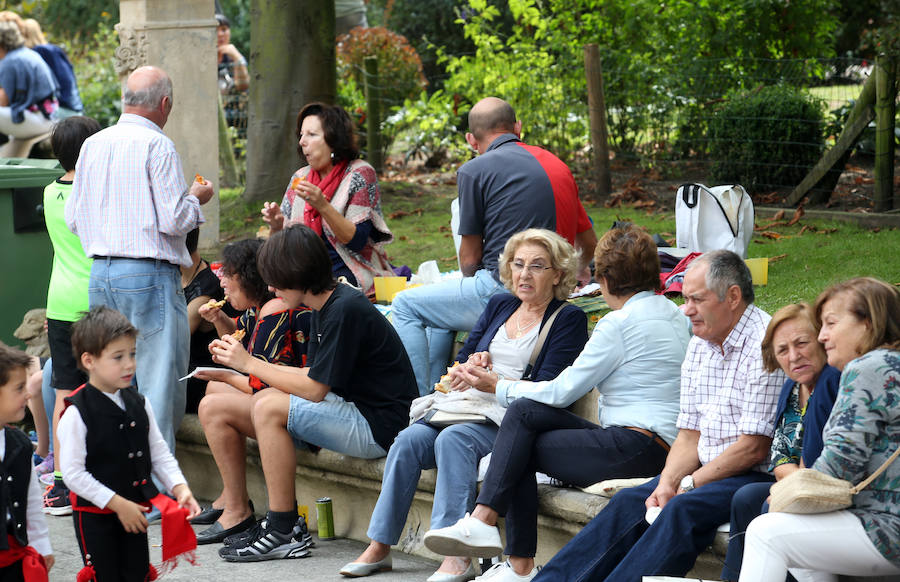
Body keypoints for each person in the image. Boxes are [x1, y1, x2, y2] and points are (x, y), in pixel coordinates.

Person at [423, 225, 691, 582]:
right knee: (523, 421)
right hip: (657, 444)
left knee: (521, 442)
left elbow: (561, 391)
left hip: (639, 446)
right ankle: (497, 540)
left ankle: (503, 546)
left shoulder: (619, 323)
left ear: (605, 279)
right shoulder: (674, 314)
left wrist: (500, 385)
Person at [342, 229, 588, 581]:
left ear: (558, 274)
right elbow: (462, 357)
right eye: (518, 265)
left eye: (537, 266)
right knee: (409, 440)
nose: (524, 274)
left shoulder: (567, 318)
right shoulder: (501, 304)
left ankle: (456, 556)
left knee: (453, 441)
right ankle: (379, 545)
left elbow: (549, 387)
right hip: (466, 405)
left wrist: (497, 381)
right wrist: (470, 365)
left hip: (511, 417)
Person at [527, 249, 784, 581]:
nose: (686, 309)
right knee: (630, 503)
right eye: (684, 298)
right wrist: (667, 482)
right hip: (706, 471)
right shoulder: (702, 344)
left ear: (733, 296)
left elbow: (754, 447)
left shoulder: (765, 345)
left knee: (680, 509)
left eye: (697, 299)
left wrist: (687, 484)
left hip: (753, 476)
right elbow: (690, 434)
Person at [208, 225, 417, 562]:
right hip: (355, 412)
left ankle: (282, 527)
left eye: (276, 280)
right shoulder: (327, 303)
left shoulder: (344, 308)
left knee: (267, 405)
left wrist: (249, 364)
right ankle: (281, 524)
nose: (271, 288)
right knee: (263, 400)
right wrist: (243, 368)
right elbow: (311, 377)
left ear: (298, 274)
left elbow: (315, 390)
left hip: (379, 428)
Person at [391, 96, 598, 396]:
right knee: (438, 314)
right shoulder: (558, 165)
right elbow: (588, 243)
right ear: (518, 128)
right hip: (553, 288)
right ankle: (438, 394)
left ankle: (413, 405)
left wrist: (470, 282)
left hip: (504, 289)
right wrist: (569, 274)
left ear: (471, 140)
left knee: (405, 304)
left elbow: (470, 258)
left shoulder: (474, 170)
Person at [65, 65, 215, 456]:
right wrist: (196, 198)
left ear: (127, 101)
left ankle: (120, 483)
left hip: (101, 272)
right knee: (157, 384)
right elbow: (175, 218)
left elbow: (73, 219)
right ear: (164, 104)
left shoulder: (92, 145)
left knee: (113, 382)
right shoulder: (157, 144)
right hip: (148, 273)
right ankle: (157, 495)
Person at [740, 277, 900, 582]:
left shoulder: (867, 368)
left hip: (887, 527)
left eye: (830, 323)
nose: (822, 336)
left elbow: (839, 467)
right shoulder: (892, 363)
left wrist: (786, 493)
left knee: (766, 531)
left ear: (868, 322)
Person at [59, 306, 201, 581]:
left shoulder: (139, 402)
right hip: (96, 517)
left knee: (136, 573)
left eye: (132, 354)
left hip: (136, 510)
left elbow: (158, 454)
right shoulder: (77, 412)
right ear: (89, 361)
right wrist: (116, 503)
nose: (129, 364)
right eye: (118, 357)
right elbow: (73, 474)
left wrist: (180, 487)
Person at [193, 237, 312, 544]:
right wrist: (220, 320)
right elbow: (241, 344)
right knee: (214, 389)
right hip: (280, 400)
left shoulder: (275, 310)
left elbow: (259, 378)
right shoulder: (258, 309)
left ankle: (237, 509)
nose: (222, 280)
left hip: (296, 407)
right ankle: (230, 497)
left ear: (248, 276)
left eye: (228, 273)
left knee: (212, 405)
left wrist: (224, 372)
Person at [721, 303, 841, 581]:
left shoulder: (830, 381)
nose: (794, 357)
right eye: (783, 350)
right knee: (746, 498)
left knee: (772, 507)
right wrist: (791, 484)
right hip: (797, 478)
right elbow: (780, 455)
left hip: (831, 487)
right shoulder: (791, 386)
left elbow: (817, 465)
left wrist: (791, 488)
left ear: (821, 340)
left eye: (802, 343)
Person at [260, 102, 395, 298]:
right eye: (301, 135)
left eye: (311, 135)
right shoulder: (300, 177)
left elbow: (357, 241)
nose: (302, 142)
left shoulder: (359, 173)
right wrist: (276, 226)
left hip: (348, 275)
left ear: (333, 139)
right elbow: (281, 248)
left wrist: (322, 206)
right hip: (302, 275)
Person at [36, 115, 101, 518]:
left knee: (64, 392)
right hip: (95, 302)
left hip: (59, 302)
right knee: (105, 391)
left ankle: (61, 485)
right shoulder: (96, 191)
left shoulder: (48, 192)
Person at [0, 343, 54, 579]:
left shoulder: (20, 444)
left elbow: (32, 501)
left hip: (14, 555)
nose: (29, 394)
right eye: (19, 388)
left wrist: (42, 546)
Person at [0, 19, 57, 142]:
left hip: (40, 119)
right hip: (49, 116)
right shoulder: (26, 53)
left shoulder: (10, 61)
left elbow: (3, 101)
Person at [20, 18, 83, 118]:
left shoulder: (42, 51)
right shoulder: (48, 50)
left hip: (65, 110)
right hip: (71, 108)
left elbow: (65, 81)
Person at [216, 14, 248, 94]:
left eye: (223, 30)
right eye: (215, 30)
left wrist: (237, 57)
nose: (220, 34)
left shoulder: (232, 57)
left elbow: (243, 86)